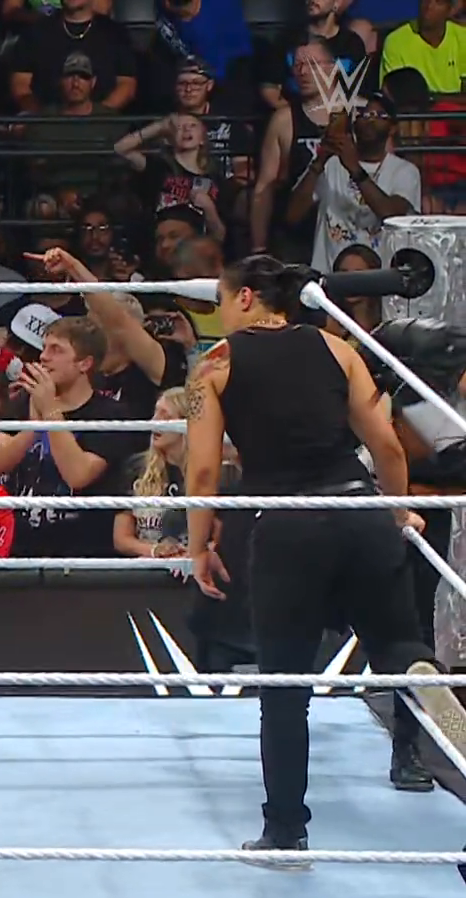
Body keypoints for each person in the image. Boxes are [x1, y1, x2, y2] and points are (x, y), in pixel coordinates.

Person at [185, 255, 466, 863]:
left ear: (245, 298)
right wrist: (395, 511)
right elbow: (386, 443)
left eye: (221, 301)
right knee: (398, 648)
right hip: (359, 512)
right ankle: (421, 676)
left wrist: (198, 545)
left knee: (286, 687)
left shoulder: (214, 364)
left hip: (288, 529)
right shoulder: (338, 349)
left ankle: (286, 829)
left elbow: (203, 470)